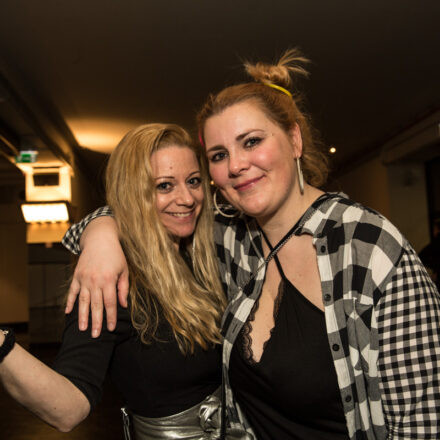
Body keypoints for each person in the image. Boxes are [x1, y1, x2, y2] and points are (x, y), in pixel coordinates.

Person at [59, 50, 440, 439]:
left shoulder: (369, 247)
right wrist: (101, 234)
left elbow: (422, 422)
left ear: (294, 139)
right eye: (219, 155)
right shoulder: (231, 239)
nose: (236, 165)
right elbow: (140, 209)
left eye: (252, 141)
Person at [0, 123, 234, 440]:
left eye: (193, 181)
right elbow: (67, 409)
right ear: (133, 193)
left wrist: (99, 226)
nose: (187, 198)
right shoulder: (111, 279)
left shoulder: (206, 252)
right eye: (164, 186)